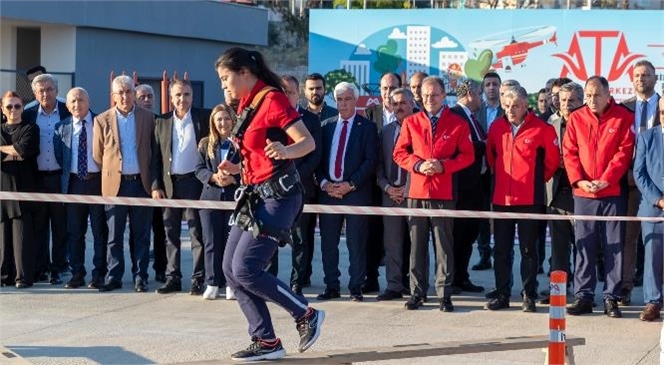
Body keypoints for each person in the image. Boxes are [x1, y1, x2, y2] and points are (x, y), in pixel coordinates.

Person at [215, 47, 324, 361]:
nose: (225, 86)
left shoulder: (273, 99)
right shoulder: (248, 104)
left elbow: (307, 142)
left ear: (245, 73)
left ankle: (306, 314)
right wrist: (235, 169)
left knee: (246, 267)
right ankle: (266, 341)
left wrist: (286, 151)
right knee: (230, 269)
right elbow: (255, 152)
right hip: (255, 195)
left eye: (226, 78)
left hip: (280, 197)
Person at [393, 76, 474, 312]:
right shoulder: (412, 122)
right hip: (416, 191)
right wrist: (418, 165)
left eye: (434, 95)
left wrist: (443, 166)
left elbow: (467, 156)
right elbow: (399, 153)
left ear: (443, 95)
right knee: (416, 246)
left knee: (443, 246)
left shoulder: (457, 123)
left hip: (443, 191)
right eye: (425, 95)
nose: (429, 99)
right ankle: (417, 292)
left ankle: (444, 294)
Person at [563, 76, 634, 318]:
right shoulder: (576, 118)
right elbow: (569, 153)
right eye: (589, 95)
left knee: (614, 246)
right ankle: (583, 295)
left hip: (612, 193)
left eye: (597, 95)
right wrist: (580, 181)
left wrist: (607, 179)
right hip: (583, 193)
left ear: (608, 94)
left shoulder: (623, 117)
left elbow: (624, 152)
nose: (592, 100)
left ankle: (611, 297)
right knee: (585, 246)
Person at [484, 85, 560, 312]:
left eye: (515, 106)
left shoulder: (542, 129)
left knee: (529, 249)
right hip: (502, 199)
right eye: (506, 106)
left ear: (527, 105)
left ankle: (529, 295)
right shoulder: (497, 127)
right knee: (501, 250)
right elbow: (491, 157)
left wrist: (532, 181)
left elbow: (552, 162)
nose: (510, 110)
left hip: (529, 199)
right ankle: (502, 294)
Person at [92, 75, 157, 293]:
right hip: (114, 185)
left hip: (140, 184)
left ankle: (141, 276)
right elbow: (98, 155)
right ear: (113, 96)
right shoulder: (101, 120)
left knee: (141, 235)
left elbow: (153, 150)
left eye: (128, 91)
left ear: (134, 93)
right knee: (114, 235)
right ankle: (114, 276)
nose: (125, 96)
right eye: (120, 92)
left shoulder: (148, 118)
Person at [316, 81, 378, 302]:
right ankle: (331, 286)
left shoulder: (368, 127)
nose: (343, 104)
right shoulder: (325, 126)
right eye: (339, 99)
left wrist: (350, 184)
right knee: (328, 243)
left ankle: (355, 287)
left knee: (356, 243)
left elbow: (371, 161)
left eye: (348, 99)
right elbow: (317, 160)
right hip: (328, 193)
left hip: (356, 193)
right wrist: (324, 183)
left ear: (356, 100)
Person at [152, 79, 210, 295]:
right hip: (170, 185)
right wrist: (156, 185)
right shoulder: (162, 122)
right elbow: (156, 158)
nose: (182, 99)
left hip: (194, 183)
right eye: (177, 95)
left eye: (186, 94)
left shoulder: (203, 117)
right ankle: (172, 277)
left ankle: (198, 278)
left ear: (192, 96)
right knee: (170, 234)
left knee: (197, 233)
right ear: (171, 97)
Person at [53, 87, 108, 289]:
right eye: (73, 101)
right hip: (74, 184)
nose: (77, 105)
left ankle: (99, 274)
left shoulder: (101, 123)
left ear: (89, 102)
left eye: (81, 100)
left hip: (97, 183)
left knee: (99, 232)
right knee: (75, 233)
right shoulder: (61, 127)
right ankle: (77, 273)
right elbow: (60, 156)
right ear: (67, 105)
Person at [22, 73, 71, 284]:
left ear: (57, 91)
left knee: (61, 226)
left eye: (49, 89)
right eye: (41, 90)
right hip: (37, 178)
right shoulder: (28, 114)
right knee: (39, 227)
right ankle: (41, 268)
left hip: (60, 177)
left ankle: (59, 268)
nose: (45, 93)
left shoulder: (67, 110)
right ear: (34, 93)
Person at [619, 60, 661, 306]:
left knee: (657, 241)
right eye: (636, 75)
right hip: (629, 180)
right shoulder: (624, 108)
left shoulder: (663, 106)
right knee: (628, 236)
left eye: (646, 75)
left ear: (655, 79)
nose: (641, 79)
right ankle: (625, 286)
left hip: (657, 182)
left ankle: (657, 294)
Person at [539, 82, 584, 305]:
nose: (567, 105)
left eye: (572, 101)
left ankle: (582, 293)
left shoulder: (588, 122)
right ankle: (558, 291)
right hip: (556, 192)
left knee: (583, 246)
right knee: (558, 247)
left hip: (581, 193)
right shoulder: (551, 122)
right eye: (564, 100)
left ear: (581, 101)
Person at [280, 75, 322, 295]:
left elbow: (314, 156)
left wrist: (293, 177)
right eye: (282, 91)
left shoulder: (311, 120)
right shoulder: (271, 117)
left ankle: (298, 280)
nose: (286, 96)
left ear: (299, 94)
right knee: (271, 235)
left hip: (301, 187)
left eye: (290, 92)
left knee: (300, 238)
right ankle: (268, 279)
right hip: (274, 188)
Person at [361, 72, 402, 294]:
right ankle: (371, 278)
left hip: (401, 186)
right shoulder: (370, 113)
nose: (387, 93)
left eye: (392, 88)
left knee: (400, 237)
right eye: (384, 89)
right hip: (375, 183)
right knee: (372, 234)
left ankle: (401, 280)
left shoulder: (410, 115)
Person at [195, 104, 241, 300]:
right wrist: (213, 177)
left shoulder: (241, 144)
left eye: (226, 119)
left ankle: (231, 284)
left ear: (233, 121)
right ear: (213, 122)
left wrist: (234, 180)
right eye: (219, 119)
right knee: (211, 242)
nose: (223, 123)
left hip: (234, 200)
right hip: (210, 199)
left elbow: (249, 168)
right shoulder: (205, 144)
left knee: (232, 244)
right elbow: (198, 169)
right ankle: (212, 282)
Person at [375, 88, 414, 301]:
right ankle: (393, 286)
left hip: (414, 195)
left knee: (416, 244)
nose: (399, 107)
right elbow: (378, 165)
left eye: (403, 103)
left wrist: (407, 188)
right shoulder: (386, 132)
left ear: (412, 104)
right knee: (392, 243)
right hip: (389, 194)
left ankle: (416, 286)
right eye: (395, 104)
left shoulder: (421, 128)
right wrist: (388, 187)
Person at [449, 80, 486, 295]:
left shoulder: (473, 118)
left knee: (469, 235)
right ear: (471, 94)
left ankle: (463, 277)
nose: (482, 98)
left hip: (475, 187)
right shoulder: (455, 115)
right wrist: (487, 144)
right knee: (457, 235)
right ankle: (451, 278)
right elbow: (465, 147)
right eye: (480, 94)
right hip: (460, 187)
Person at [0, 91, 39, 288]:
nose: (13, 110)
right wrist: (15, 152)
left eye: (17, 106)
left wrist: (7, 150)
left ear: (23, 108)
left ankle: (22, 277)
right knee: (3, 236)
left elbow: (24, 150)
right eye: (9, 106)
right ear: (2, 109)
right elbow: (18, 152)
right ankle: (3, 276)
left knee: (22, 236)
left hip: (24, 187)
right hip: (2, 187)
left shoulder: (31, 128)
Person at [633, 97, 664, 321]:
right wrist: (659, 200)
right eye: (663, 112)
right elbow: (639, 173)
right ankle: (653, 301)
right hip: (653, 207)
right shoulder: (647, 137)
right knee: (652, 256)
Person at [134, 83, 167, 283]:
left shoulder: (162, 122)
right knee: (139, 232)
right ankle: (140, 271)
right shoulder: (133, 122)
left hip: (160, 186)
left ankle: (161, 268)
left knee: (161, 229)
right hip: (138, 184)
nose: (147, 100)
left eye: (150, 96)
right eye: (142, 97)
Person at [472, 71, 504, 272]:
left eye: (495, 84)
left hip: (504, 170)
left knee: (501, 214)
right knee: (482, 214)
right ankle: (484, 255)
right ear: (483, 89)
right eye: (488, 84)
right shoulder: (476, 111)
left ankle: (501, 252)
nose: (491, 87)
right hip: (481, 171)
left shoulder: (509, 109)